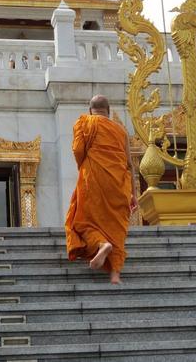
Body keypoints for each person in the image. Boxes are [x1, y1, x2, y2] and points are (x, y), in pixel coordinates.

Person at [65, 95, 138, 284]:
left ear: (91, 110)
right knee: (116, 227)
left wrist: (85, 165)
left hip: (94, 179)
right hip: (118, 184)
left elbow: (77, 150)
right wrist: (134, 194)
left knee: (83, 222)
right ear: (108, 110)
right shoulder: (120, 130)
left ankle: (102, 244)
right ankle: (115, 274)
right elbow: (130, 164)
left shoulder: (84, 122)